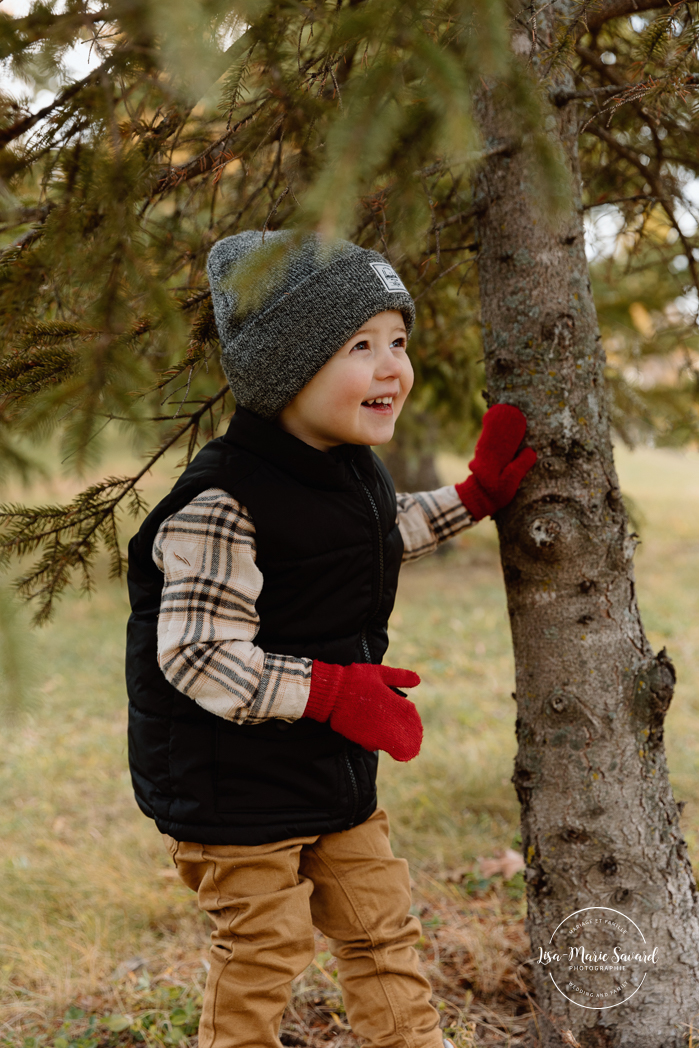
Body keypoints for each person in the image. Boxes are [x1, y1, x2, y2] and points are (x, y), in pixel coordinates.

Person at [125, 230, 537, 1048]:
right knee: (264, 946)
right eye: (360, 346)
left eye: (398, 341)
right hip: (229, 784)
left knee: (381, 927)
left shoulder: (347, 466)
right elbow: (195, 656)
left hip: (328, 767)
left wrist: (475, 496)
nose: (393, 367)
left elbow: (374, 533)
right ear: (285, 367)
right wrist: (333, 691)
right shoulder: (220, 501)